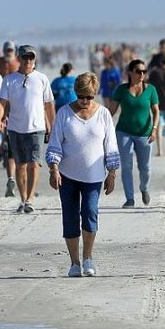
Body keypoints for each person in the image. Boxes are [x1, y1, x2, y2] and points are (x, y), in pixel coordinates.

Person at [45, 72, 119, 277]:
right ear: (75, 93)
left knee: (89, 215)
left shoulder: (103, 114)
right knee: (69, 218)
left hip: (94, 177)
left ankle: (88, 258)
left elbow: (110, 145)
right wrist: (54, 169)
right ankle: (74, 263)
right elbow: (55, 143)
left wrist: (112, 173)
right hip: (67, 176)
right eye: (81, 96)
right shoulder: (64, 113)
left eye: (90, 96)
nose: (85, 101)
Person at [0, 45, 56, 213]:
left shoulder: (42, 79)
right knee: (20, 165)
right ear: (19, 59)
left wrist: (53, 126)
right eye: (25, 57)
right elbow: (2, 103)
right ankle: (23, 199)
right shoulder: (9, 80)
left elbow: (49, 105)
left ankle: (30, 199)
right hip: (15, 129)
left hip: (37, 128)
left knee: (34, 164)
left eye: (31, 57)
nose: (28, 60)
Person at [108, 59, 159, 208]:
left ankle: (144, 188)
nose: (141, 74)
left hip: (145, 134)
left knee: (145, 168)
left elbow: (156, 111)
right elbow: (111, 111)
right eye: (138, 71)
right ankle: (129, 198)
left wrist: (154, 129)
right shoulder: (121, 90)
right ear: (130, 72)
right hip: (124, 132)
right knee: (127, 166)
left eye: (144, 71)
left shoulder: (151, 90)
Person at [0, 41, 21, 197]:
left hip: (16, 104)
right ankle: (11, 176)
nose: (8, 52)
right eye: (6, 50)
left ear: (14, 51)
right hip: (1, 102)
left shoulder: (19, 62)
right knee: (6, 137)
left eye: (11, 50)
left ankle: (3, 152)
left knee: (12, 139)